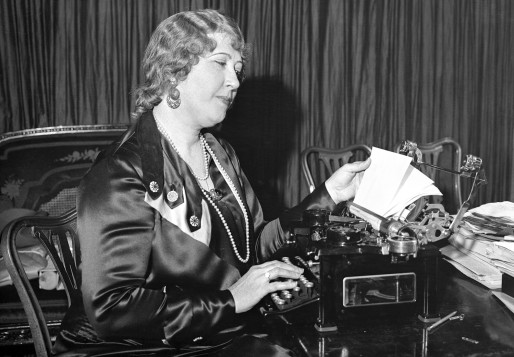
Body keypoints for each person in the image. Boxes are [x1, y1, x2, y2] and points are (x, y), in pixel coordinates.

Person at [54, 9, 370, 356]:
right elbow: (112, 310)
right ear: (175, 70)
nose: (235, 82)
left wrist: (328, 196)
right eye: (220, 63)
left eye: (237, 69)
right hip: (129, 347)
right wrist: (232, 300)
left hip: (212, 333)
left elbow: (253, 247)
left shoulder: (219, 152)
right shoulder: (121, 171)